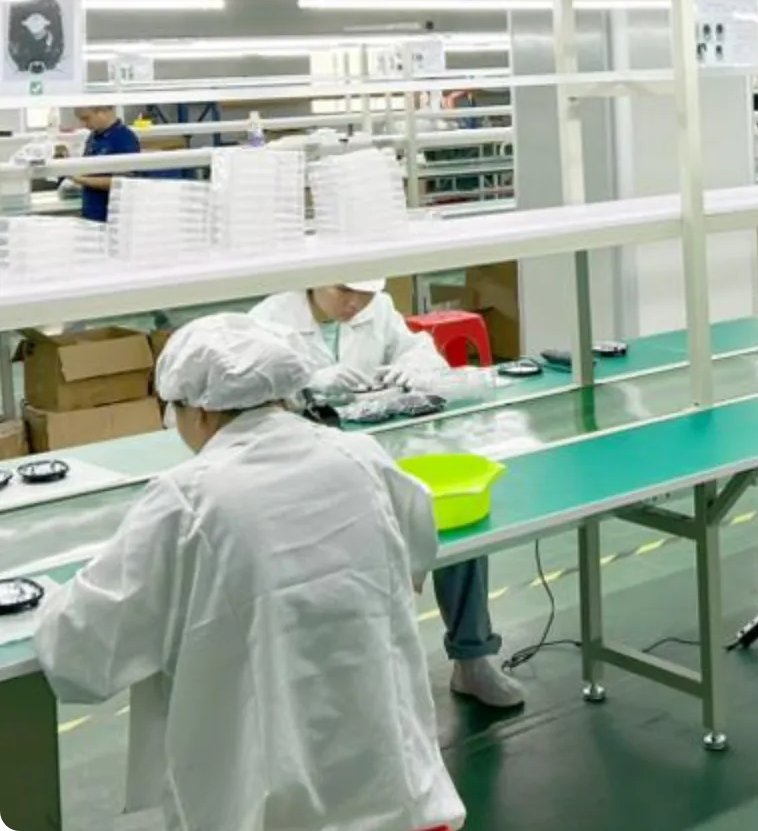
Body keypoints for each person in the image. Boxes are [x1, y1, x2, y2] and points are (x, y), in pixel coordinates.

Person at [33, 313, 465, 831]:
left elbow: (83, 650)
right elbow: (419, 547)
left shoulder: (188, 498)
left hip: (269, 812)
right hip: (398, 799)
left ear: (199, 412)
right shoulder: (361, 457)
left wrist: (46, 603)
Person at [250, 280, 526, 708]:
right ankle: (356, 679)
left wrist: (416, 366)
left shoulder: (377, 309)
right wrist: (306, 383)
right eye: (344, 290)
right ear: (316, 278)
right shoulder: (270, 320)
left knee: (450, 526)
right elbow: (247, 398)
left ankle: (473, 659)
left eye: (363, 293)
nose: (354, 302)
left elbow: (420, 350)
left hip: (382, 453)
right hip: (307, 470)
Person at [70, 105, 141, 223]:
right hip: (92, 211)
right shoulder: (94, 136)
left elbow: (123, 182)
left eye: (86, 118)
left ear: (102, 112)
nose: (83, 124)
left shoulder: (124, 139)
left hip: (111, 216)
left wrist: (81, 180)